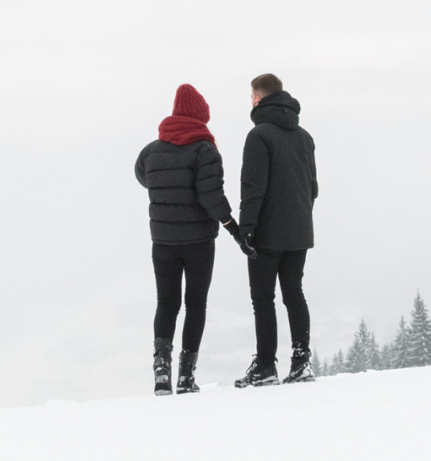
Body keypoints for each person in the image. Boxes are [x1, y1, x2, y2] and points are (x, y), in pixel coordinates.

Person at [135, 84, 252, 395]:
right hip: (199, 242)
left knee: (166, 303)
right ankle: (186, 376)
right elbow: (211, 197)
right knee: (195, 304)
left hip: (162, 241)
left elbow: (142, 176)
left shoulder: (152, 150)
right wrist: (235, 230)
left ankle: (162, 373)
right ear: (200, 115)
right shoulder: (204, 150)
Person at [234, 72, 319, 388]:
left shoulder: (259, 136)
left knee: (263, 298)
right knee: (294, 293)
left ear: (257, 98)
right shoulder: (305, 136)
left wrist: (247, 229)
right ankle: (301, 362)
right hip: (299, 230)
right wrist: (300, 217)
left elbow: (253, 188)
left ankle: (266, 366)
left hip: (267, 232)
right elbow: (312, 187)